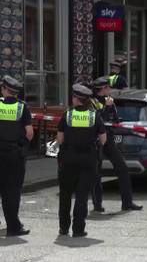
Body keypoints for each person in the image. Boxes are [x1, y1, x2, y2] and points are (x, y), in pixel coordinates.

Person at [56, 84, 107, 237]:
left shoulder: (67, 115)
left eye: (73, 97)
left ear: (77, 99)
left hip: (69, 158)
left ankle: (64, 228)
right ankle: (78, 229)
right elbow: (103, 139)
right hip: (88, 159)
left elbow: (60, 138)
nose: (71, 99)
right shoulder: (94, 115)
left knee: (65, 194)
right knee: (82, 195)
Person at [90, 76, 142, 212]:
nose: (110, 90)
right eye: (108, 88)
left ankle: (127, 203)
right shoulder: (91, 102)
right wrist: (106, 108)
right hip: (96, 140)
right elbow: (97, 119)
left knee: (123, 168)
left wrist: (111, 108)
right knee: (96, 173)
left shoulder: (109, 101)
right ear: (102, 89)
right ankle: (97, 205)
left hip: (109, 138)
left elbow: (114, 118)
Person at [0, 75, 33, 236]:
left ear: (5, 90)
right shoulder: (22, 107)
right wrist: (21, 143)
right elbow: (29, 133)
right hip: (14, 155)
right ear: (15, 92)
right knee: (12, 191)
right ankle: (13, 226)